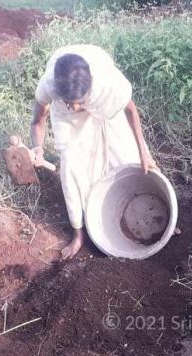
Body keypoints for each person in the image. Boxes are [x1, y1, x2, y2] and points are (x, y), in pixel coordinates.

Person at [29, 44, 158, 260]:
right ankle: (79, 234)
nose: (77, 108)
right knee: (71, 165)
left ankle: (154, 211)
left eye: (80, 102)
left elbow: (131, 111)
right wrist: (38, 149)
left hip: (101, 98)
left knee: (124, 151)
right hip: (66, 116)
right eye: (71, 103)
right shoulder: (50, 86)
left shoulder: (108, 85)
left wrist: (143, 151)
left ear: (90, 89)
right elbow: (37, 122)